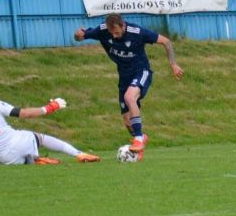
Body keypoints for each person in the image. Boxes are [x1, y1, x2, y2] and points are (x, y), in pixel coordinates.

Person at [75, 13, 184, 160]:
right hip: (124, 77)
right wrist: (78, 35)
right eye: (111, 33)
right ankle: (140, 139)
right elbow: (80, 37)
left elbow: (166, 42)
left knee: (129, 97)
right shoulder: (102, 30)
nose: (114, 36)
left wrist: (173, 64)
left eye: (117, 32)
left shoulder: (137, 32)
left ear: (123, 25)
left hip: (141, 71)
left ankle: (138, 139)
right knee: (127, 121)